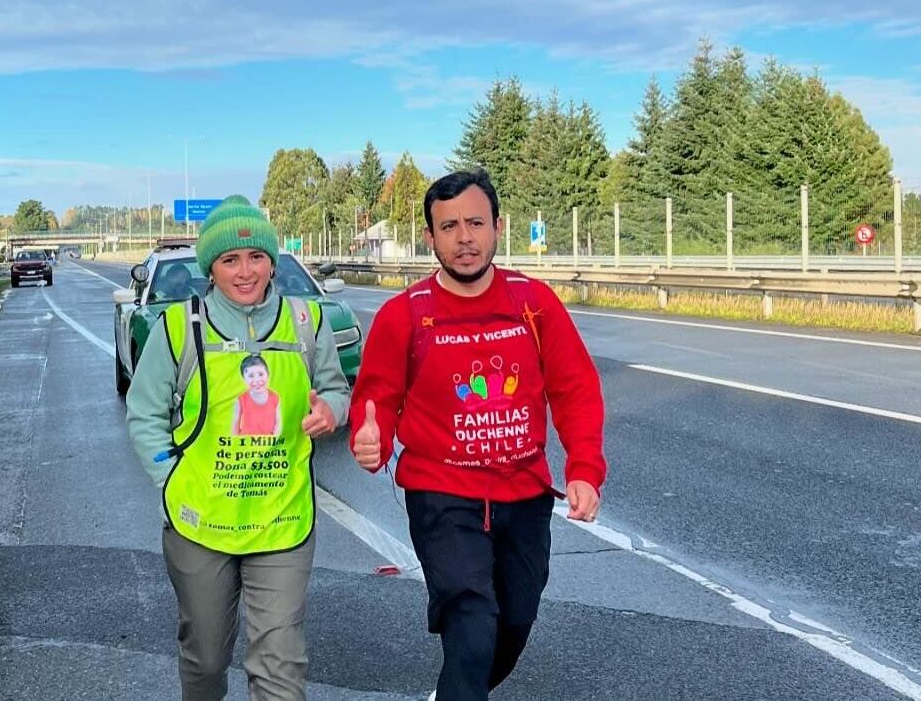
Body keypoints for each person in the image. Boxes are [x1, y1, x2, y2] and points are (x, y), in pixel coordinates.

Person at [349, 170, 605, 701]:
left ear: (497, 227)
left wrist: (584, 469)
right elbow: (375, 403)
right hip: (442, 498)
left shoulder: (533, 303)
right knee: (470, 630)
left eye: (474, 223)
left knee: (512, 626)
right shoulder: (406, 315)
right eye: (448, 227)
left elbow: (575, 388)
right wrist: (368, 441)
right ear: (430, 238)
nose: (464, 238)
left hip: (524, 494)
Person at [126, 195, 351, 701]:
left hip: (282, 521)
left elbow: (336, 388)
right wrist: (170, 478)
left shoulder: (307, 322)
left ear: (273, 260)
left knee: (281, 665)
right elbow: (144, 414)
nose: (245, 271)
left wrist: (331, 411)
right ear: (212, 267)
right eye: (230, 260)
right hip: (200, 525)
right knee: (205, 659)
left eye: (256, 257)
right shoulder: (181, 327)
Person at [234, 355, 283, 437]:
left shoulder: (275, 398)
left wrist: (274, 441)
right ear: (244, 378)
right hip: (246, 445)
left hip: (269, 446)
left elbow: (278, 423)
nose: (257, 380)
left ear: (268, 374)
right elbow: (235, 426)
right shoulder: (241, 399)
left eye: (261, 374)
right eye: (251, 376)